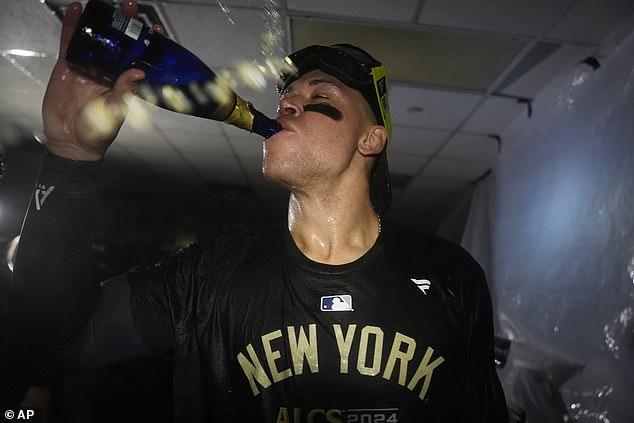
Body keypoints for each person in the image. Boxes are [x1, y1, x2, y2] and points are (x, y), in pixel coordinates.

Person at [1, 1, 509, 422]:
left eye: (320, 97)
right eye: (286, 94)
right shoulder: (207, 278)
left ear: (371, 138)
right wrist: (71, 158)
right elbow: (55, 345)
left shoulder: (450, 277)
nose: (287, 104)